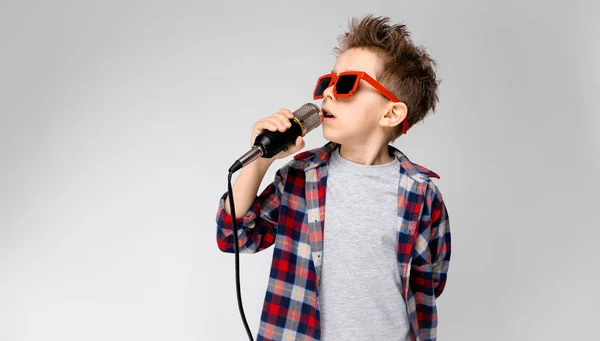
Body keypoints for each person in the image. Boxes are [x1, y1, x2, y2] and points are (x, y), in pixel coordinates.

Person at [215, 14, 451, 341]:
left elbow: (429, 283)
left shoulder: (422, 195)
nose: (327, 94)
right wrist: (260, 163)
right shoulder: (299, 178)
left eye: (346, 84)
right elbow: (235, 237)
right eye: (329, 82)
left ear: (391, 113)